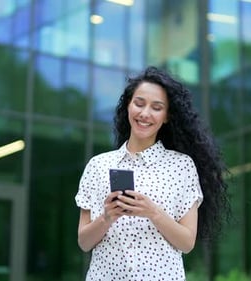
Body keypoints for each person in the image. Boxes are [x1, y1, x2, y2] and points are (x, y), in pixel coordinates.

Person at [75, 66, 230, 280]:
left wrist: (152, 212)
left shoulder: (181, 166)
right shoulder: (98, 165)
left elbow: (187, 242)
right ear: (128, 106)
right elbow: (84, 242)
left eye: (156, 107)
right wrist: (107, 217)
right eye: (139, 103)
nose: (145, 113)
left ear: (167, 116)